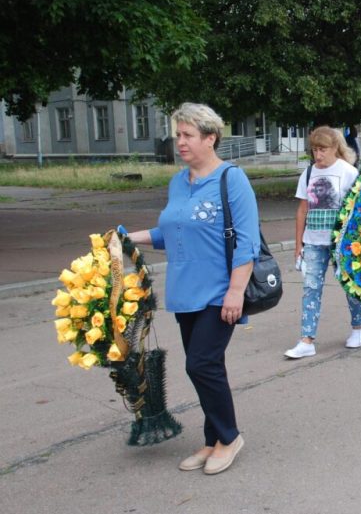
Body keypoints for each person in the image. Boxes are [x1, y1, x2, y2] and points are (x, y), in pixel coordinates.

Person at [126, 103, 257, 475]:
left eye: (187, 135)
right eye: (177, 134)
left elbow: (245, 242)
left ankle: (229, 438)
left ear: (210, 137)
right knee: (206, 366)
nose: (179, 142)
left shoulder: (232, 179)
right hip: (185, 292)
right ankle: (212, 440)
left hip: (220, 291)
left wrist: (235, 291)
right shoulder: (178, 182)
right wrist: (126, 239)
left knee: (200, 363)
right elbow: (171, 232)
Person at [284, 126, 361, 359]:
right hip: (313, 242)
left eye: (322, 150)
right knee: (310, 288)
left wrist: (357, 243)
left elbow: (359, 209)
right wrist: (298, 244)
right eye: (314, 150)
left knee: (350, 286)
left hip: (342, 243)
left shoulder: (348, 172)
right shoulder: (308, 173)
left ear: (335, 149)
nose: (317, 155)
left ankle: (358, 328)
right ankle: (306, 340)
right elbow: (302, 210)